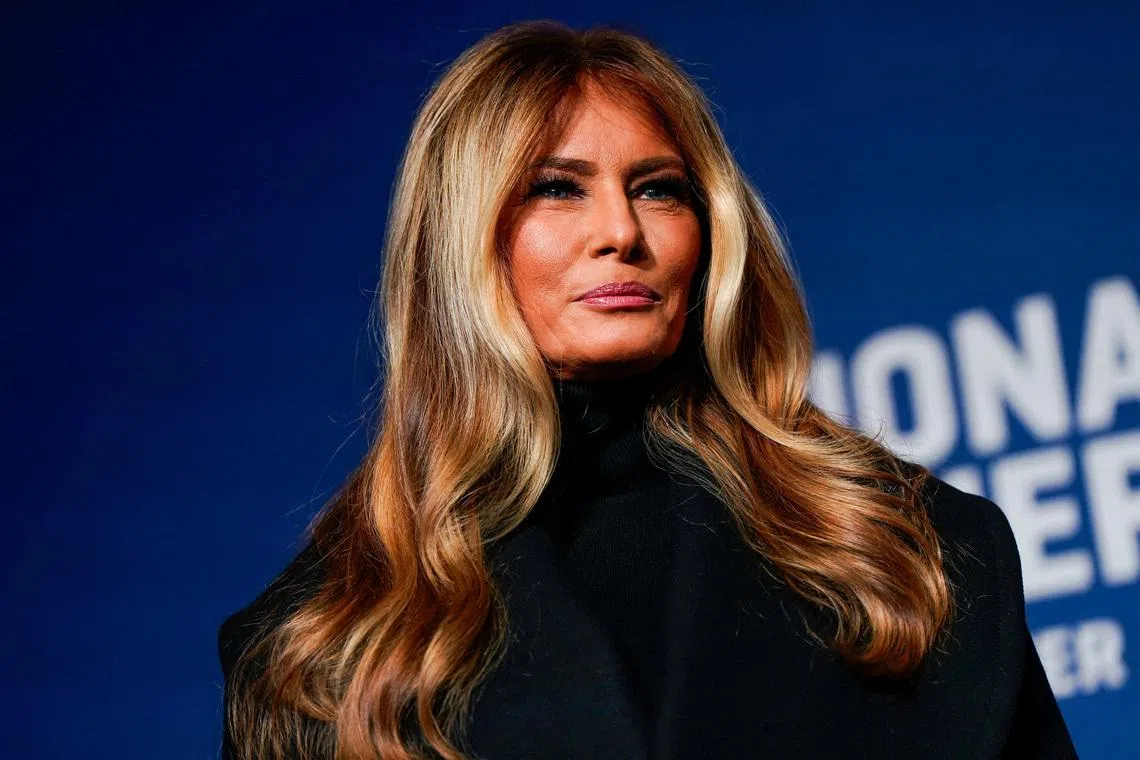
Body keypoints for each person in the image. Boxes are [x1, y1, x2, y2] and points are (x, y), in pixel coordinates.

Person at [217, 19, 1078, 760]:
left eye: (658, 189)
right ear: (461, 238)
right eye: (556, 188)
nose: (622, 232)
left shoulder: (910, 551)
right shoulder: (320, 642)